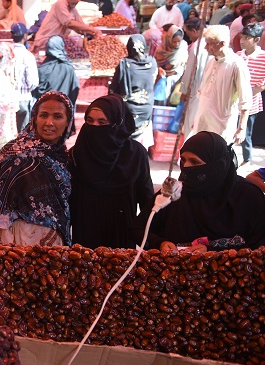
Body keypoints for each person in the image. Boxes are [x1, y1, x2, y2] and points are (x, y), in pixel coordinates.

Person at [133, 131, 265, 251]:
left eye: (195, 162)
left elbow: (258, 241)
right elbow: (138, 228)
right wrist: (160, 243)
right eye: (183, 160)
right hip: (176, 273)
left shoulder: (247, 196)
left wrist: (212, 250)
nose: (186, 167)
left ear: (217, 165)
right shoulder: (175, 192)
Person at [0, 91, 73, 246]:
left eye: (57, 116)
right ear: (34, 119)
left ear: (67, 121)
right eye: (43, 115)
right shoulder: (14, 153)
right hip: (15, 240)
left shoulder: (65, 158)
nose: (49, 122)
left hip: (54, 241)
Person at [69, 94, 154, 249]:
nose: (95, 127)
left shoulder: (135, 154)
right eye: (89, 121)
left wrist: (150, 239)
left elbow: (146, 198)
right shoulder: (76, 154)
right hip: (86, 231)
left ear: (117, 123)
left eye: (102, 122)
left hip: (121, 231)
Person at [191, 25, 251, 145]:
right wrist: (196, 119)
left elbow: (245, 99)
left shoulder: (237, 65)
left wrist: (241, 129)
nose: (205, 47)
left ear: (222, 43)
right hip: (202, 123)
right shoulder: (210, 62)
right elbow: (202, 94)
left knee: (217, 157)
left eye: (209, 44)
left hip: (221, 125)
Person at [110, 35, 157, 142]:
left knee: (125, 140)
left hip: (129, 108)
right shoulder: (152, 63)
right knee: (140, 143)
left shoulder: (125, 64)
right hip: (146, 108)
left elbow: (114, 87)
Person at [237, 22, 265, 166]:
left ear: (256, 40)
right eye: (242, 37)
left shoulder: (263, 57)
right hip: (235, 100)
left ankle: (247, 159)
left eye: (247, 38)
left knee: (246, 131)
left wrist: (251, 91)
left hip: (252, 102)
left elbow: (263, 83)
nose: (242, 40)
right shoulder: (237, 56)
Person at [32, 36, 79, 119]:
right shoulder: (69, 68)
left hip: (44, 113)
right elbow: (74, 91)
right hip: (63, 112)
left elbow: (35, 90)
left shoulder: (41, 69)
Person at [32, 0, 102, 55]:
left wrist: (93, 33)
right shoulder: (60, 4)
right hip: (45, 42)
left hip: (57, 44)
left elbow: (80, 27)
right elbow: (70, 23)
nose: (76, 1)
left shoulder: (73, 9)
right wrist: (93, 29)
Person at [181, 17, 209, 139]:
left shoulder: (196, 47)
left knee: (190, 125)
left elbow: (189, 72)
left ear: (194, 31)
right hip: (206, 91)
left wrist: (184, 91)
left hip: (196, 89)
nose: (188, 37)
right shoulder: (206, 44)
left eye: (188, 34)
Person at [11, 22, 39, 132]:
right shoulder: (28, 56)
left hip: (8, 101)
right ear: (24, 36)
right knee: (22, 135)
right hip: (22, 99)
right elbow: (33, 82)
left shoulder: (7, 53)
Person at [154, 24, 188, 106]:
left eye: (178, 41)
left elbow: (185, 63)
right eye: (174, 41)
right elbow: (156, 64)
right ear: (169, 39)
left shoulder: (183, 47)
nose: (176, 44)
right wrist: (160, 70)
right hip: (162, 79)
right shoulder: (161, 49)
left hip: (178, 79)